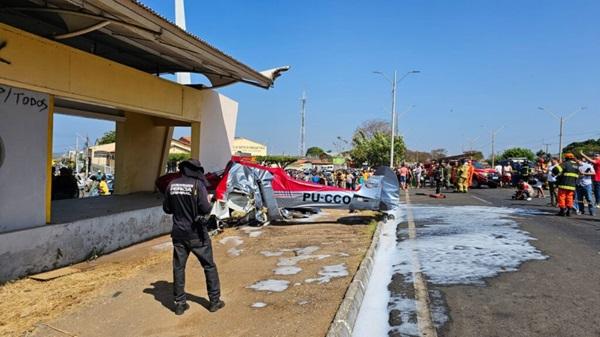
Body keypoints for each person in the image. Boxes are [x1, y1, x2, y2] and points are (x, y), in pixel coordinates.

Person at [163, 159, 224, 315]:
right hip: (197, 234)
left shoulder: (172, 184)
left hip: (178, 234)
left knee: (178, 267)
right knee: (209, 266)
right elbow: (205, 208)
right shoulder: (198, 186)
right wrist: (209, 202)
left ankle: (180, 304)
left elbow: (167, 209)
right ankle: (214, 301)